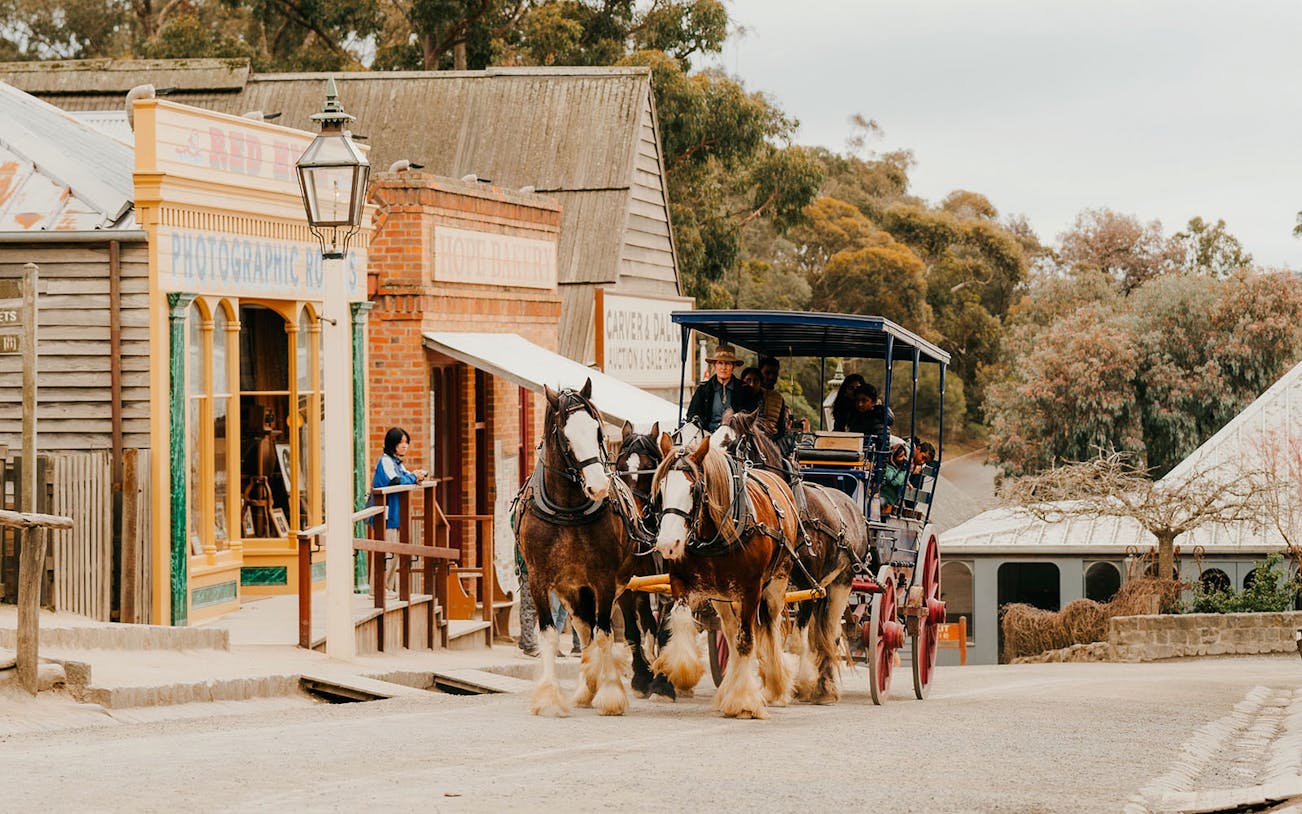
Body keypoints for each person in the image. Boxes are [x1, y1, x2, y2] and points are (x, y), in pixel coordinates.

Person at [372, 427, 427, 592]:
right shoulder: (386, 461)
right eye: (400, 442)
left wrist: (415, 476)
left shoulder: (397, 463)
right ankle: (378, 590)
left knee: (394, 553)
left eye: (406, 442)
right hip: (386, 514)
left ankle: (388, 588)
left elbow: (406, 477)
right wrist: (413, 477)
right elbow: (395, 481)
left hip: (396, 515)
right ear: (392, 444)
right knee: (386, 552)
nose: (404, 446)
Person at [685, 343, 756, 432]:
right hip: (707, 437)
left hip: (736, 440)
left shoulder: (744, 390)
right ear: (714, 365)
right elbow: (692, 415)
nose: (723, 367)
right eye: (720, 363)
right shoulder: (703, 390)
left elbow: (751, 416)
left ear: (733, 366)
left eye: (727, 363)